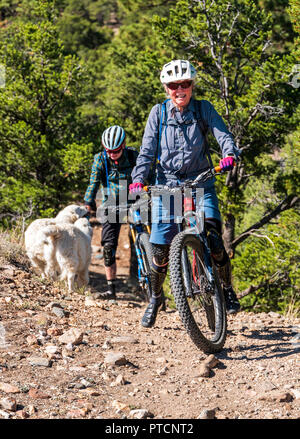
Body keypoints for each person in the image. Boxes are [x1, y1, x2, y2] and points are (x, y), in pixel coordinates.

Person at [129, 59, 241, 328]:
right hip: (167, 184)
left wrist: (228, 153)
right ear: (166, 89)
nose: (180, 89)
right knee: (159, 250)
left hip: (201, 181)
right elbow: (146, 153)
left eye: (185, 84)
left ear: (192, 85)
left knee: (213, 236)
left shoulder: (203, 109)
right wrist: (137, 180)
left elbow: (223, 134)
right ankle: (156, 298)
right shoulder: (157, 114)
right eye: (174, 85)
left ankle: (226, 288)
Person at [84, 125, 138, 299]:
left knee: (142, 241)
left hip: (136, 200)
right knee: (108, 247)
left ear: (123, 146)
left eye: (115, 151)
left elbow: (148, 174)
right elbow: (93, 183)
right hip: (112, 202)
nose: (112, 154)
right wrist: (88, 202)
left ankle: (141, 282)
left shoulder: (133, 156)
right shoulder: (100, 159)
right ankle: (111, 289)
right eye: (109, 151)